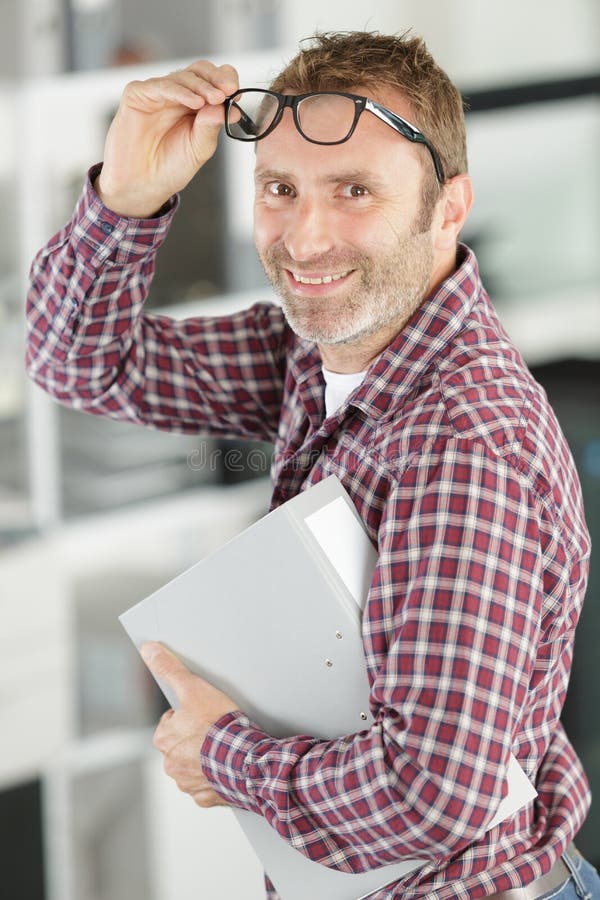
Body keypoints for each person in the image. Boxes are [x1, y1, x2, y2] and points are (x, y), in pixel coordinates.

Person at [25, 29, 600, 900]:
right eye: (280, 189)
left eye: (355, 190)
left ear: (448, 206)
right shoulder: (317, 350)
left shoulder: (464, 445)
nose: (306, 237)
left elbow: (432, 794)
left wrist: (223, 751)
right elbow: (78, 360)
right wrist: (124, 202)